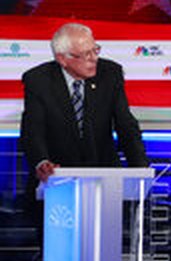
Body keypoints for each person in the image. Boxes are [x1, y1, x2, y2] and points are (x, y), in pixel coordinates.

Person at [20, 22, 148, 188]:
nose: (94, 58)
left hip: (104, 175)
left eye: (95, 50)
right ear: (62, 59)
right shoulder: (38, 80)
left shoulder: (110, 73)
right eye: (86, 54)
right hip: (57, 178)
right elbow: (33, 130)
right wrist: (42, 162)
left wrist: (141, 171)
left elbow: (126, 125)